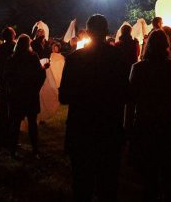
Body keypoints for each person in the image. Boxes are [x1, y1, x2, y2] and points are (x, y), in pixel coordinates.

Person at [58, 14, 131, 202]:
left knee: (82, 184)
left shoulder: (74, 59)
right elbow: (126, 93)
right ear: (107, 33)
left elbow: (64, 96)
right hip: (109, 129)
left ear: (87, 33)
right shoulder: (117, 57)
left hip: (81, 129)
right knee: (108, 185)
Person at [127, 29, 171, 201]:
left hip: (145, 126)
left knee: (149, 178)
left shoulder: (138, 69)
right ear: (166, 46)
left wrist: (128, 129)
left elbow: (130, 100)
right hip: (169, 126)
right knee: (170, 173)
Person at [3, 34, 47, 158]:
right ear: (28, 44)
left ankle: (12, 150)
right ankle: (35, 149)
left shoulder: (11, 59)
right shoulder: (33, 57)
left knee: (15, 123)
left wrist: (12, 89)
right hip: (30, 95)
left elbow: (7, 77)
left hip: (16, 96)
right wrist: (43, 70)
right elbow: (39, 75)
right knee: (32, 123)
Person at [0, 27, 16, 148]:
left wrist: (0, 81)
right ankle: (11, 139)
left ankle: (1, 138)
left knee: (2, 111)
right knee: (12, 111)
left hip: (3, 82)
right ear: (12, 35)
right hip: (13, 83)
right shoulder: (15, 47)